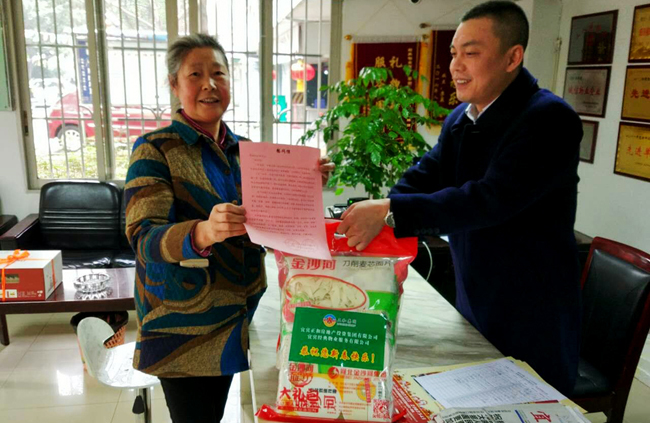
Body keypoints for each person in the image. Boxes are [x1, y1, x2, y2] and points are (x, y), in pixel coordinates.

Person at [336, 1, 582, 395]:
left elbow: (488, 200)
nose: (455, 66)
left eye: (471, 53)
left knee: (528, 402)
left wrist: (390, 211)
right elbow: (423, 177)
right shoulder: (461, 118)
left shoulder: (548, 118)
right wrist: (384, 210)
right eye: (453, 53)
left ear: (512, 57)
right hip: (474, 293)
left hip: (530, 306)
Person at [124, 34, 334, 423]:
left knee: (220, 412)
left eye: (218, 73)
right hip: (183, 326)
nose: (209, 84)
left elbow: (269, 224)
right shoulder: (155, 148)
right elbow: (144, 239)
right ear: (174, 84)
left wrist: (305, 186)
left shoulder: (247, 152)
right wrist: (203, 231)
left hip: (240, 310)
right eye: (195, 74)